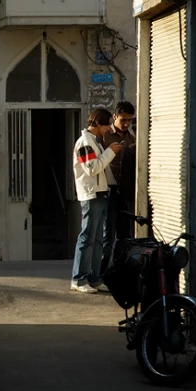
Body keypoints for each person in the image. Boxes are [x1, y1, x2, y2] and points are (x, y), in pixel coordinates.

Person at [71, 108, 123, 294]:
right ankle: (79, 279)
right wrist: (110, 151)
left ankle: (94, 278)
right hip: (91, 195)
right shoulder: (85, 142)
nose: (109, 128)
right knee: (87, 238)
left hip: (100, 194)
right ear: (98, 124)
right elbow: (91, 168)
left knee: (98, 239)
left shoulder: (94, 142)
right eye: (107, 124)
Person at [101, 101, 136, 272]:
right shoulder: (105, 136)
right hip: (109, 191)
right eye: (123, 120)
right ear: (115, 117)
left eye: (129, 120)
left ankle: (121, 270)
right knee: (108, 235)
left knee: (125, 235)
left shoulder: (133, 137)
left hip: (126, 192)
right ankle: (102, 271)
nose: (126, 124)